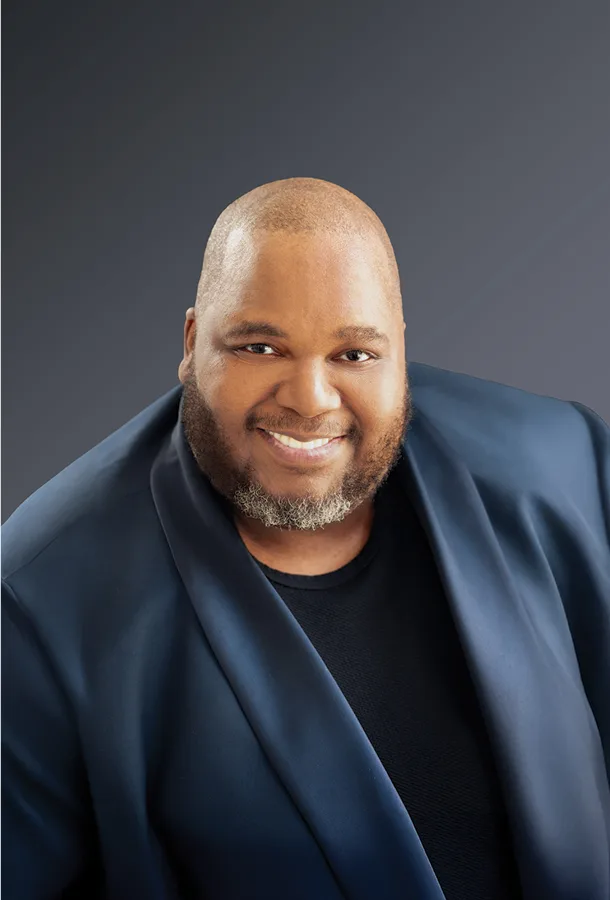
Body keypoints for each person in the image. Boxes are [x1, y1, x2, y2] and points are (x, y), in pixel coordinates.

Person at [2, 178, 609, 900]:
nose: (310, 400)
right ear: (193, 344)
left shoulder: (564, 463)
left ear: (400, 353)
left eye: (354, 355)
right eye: (260, 346)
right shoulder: (41, 597)